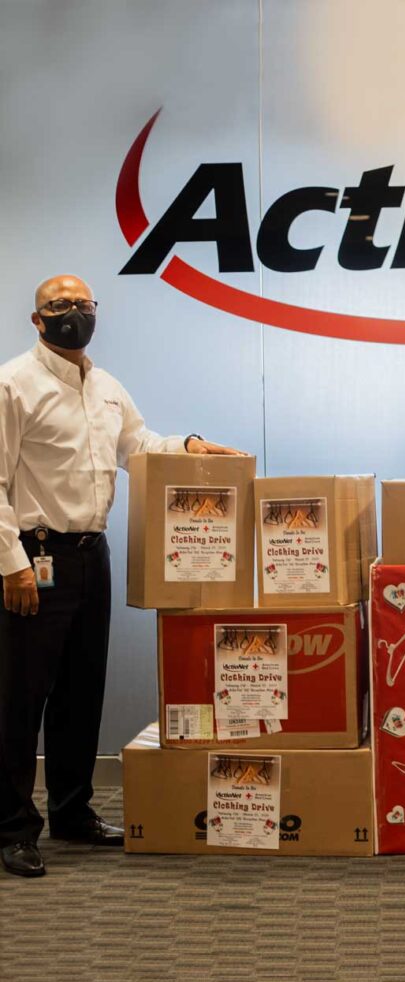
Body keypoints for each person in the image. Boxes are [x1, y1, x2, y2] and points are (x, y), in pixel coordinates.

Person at [0, 274, 243, 878]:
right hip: (36, 558)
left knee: (82, 690)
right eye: (58, 306)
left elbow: (140, 445)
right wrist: (11, 565)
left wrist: (187, 445)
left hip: (91, 554)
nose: (72, 314)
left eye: (82, 305)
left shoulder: (105, 386)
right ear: (37, 319)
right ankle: (12, 828)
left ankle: (73, 811)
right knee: (21, 697)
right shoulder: (13, 385)